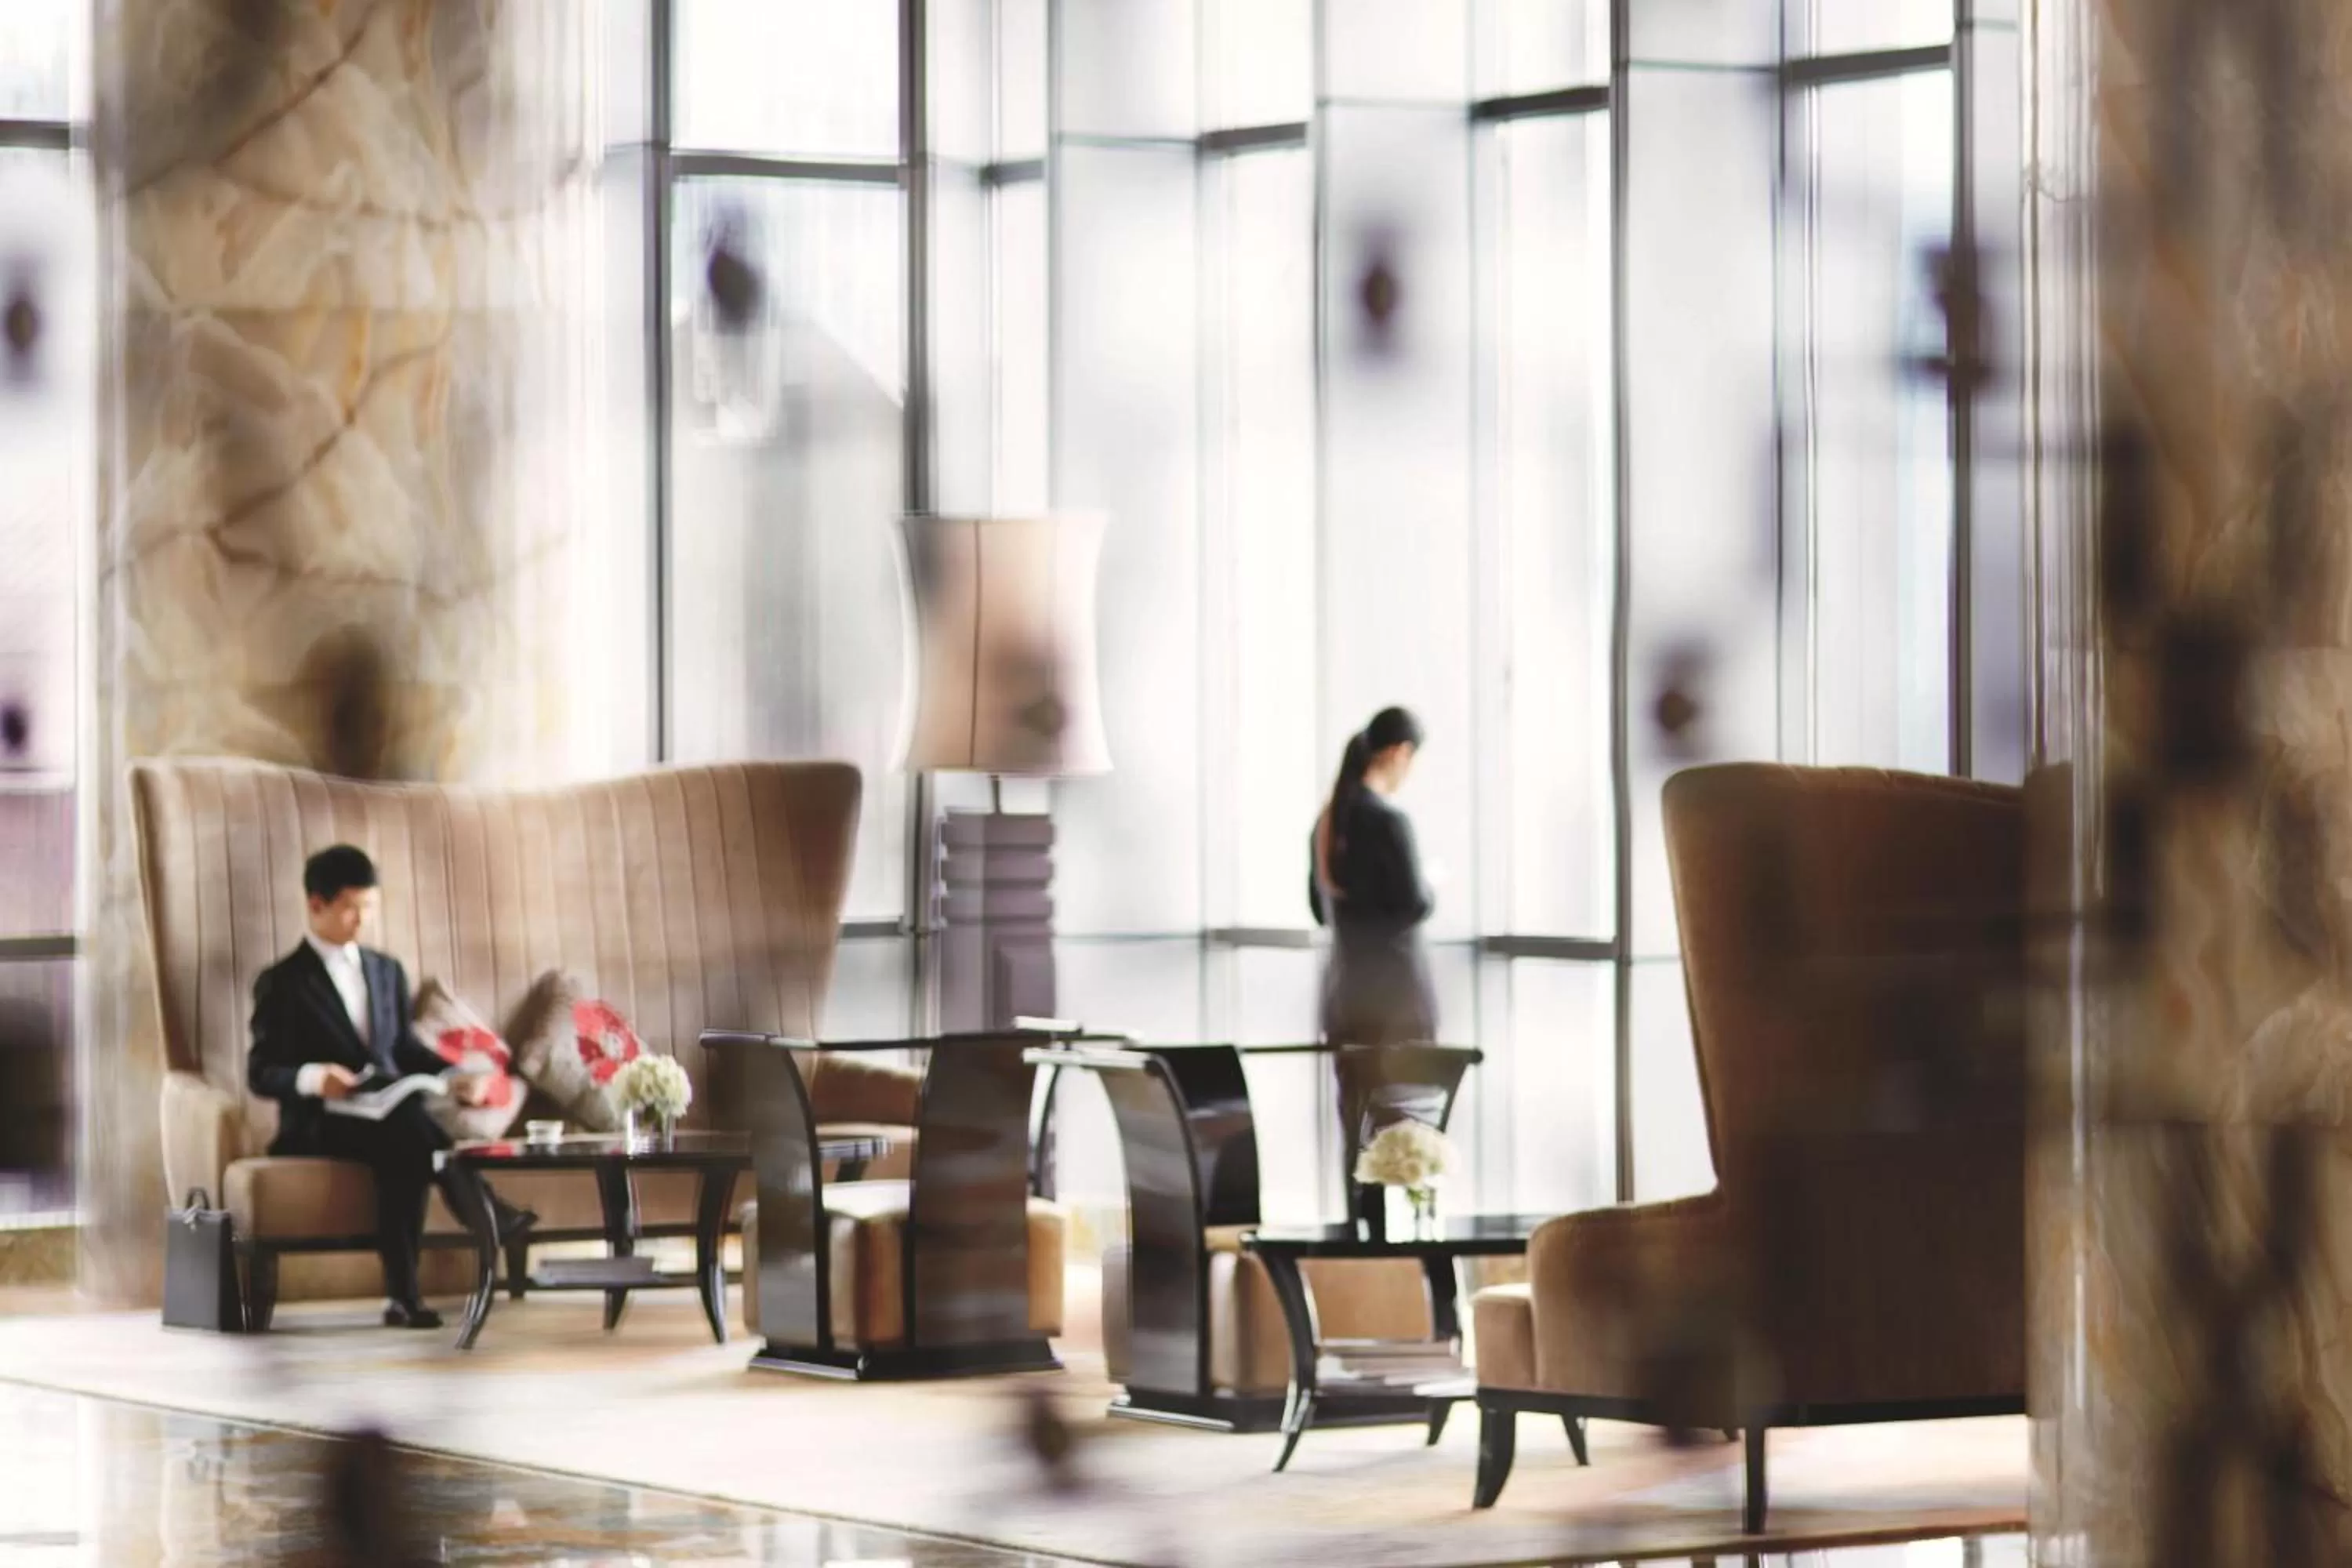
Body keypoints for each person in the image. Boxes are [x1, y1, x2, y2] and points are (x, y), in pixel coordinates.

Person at [246, 845, 532, 1328]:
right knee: (411, 1133)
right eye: (351, 908)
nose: (362, 920)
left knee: (406, 1133)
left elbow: (404, 1050)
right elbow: (261, 1070)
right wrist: (316, 1078)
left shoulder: (386, 970)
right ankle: (486, 1214)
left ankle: (407, 1297)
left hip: (387, 1114)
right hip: (321, 1123)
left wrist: (452, 1077)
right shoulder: (281, 982)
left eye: (370, 908)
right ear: (316, 904)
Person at [1309, 707, 1436, 1045]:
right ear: (1400, 752)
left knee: (1355, 1099)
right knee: (1404, 1098)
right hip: (1395, 1001)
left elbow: (1320, 910)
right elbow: (1414, 905)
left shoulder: (1327, 824)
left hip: (1345, 997)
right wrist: (1430, 884)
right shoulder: (1389, 822)